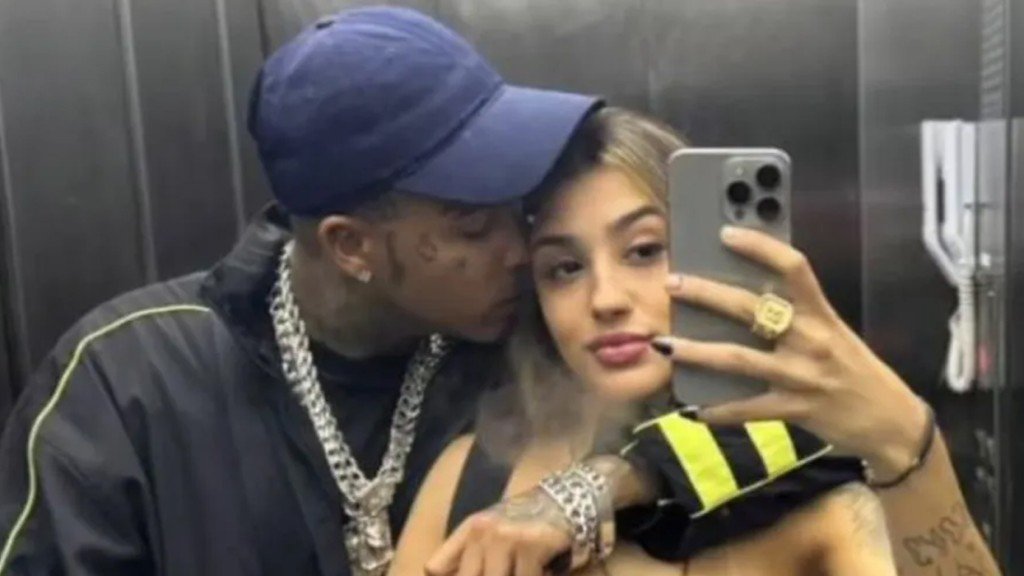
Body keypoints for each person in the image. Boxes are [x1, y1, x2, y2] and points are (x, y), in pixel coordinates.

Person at [420, 109, 1003, 576]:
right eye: (564, 268)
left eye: (645, 250)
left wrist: (902, 432)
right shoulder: (469, 476)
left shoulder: (817, 493)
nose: (605, 299)